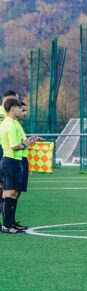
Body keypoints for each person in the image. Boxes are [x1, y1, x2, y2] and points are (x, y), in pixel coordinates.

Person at [0, 98, 40, 233]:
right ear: (12, 109)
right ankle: (7, 225)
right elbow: (14, 146)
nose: (21, 110)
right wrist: (25, 144)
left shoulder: (13, 123)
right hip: (11, 160)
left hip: (14, 161)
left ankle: (10, 223)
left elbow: (21, 141)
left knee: (12, 193)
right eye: (19, 108)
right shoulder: (10, 124)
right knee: (9, 193)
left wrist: (29, 141)